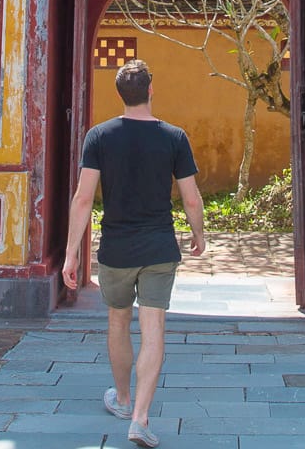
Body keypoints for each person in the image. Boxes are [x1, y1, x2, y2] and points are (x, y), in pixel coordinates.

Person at [63, 58, 206, 448]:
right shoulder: (174, 137)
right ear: (151, 90)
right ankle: (140, 418)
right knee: (154, 329)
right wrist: (199, 235)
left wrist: (71, 254)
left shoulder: (99, 137)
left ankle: (123, 400)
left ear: (120, 94)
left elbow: (82, 198)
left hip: (116, 249)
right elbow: (191, 199)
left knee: (118, 321)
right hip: (160, 246)